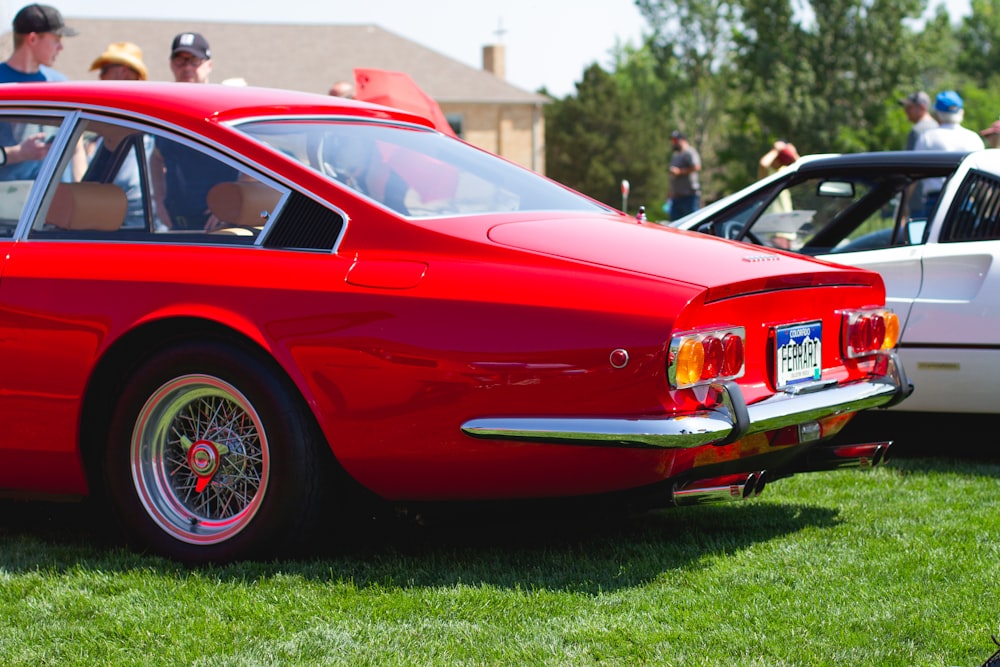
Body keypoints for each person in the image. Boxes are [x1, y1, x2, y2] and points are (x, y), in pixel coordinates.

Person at [150, 32, 237, 229]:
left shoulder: (223, 108)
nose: (187, 68)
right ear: (171, 65)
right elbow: (156, 157)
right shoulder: (165, 111)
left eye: (194, 61)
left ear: (209, 65)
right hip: (177, 223)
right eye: (180, 61)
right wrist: (159, 199)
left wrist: (233, 203)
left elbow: (255, 160)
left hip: (219, 226)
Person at [0, 4, 77, 179]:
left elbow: (77, 148)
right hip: (9, 201)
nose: (61, 48)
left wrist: (82, 189)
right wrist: (17, 153)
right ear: (33, 39)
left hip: (59, 201)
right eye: (56, 40)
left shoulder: (61, 85)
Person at [914, 91, 985, 213]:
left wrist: (903, 206)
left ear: (936, 113)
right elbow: (982, 178)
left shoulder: (927, 137)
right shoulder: (973, 138)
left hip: (935, 200)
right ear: (961, 112)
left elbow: (914, 171)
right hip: (965, 199)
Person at [667, 130, 701, 219]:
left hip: (689, 196)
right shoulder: (676, 155)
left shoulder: (689, 152)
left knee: (692, 223)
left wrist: (680, 172)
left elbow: (697, 167)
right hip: (677, 197)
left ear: (682, 140)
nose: (673, 143)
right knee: (675, 225)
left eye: (675, 141)